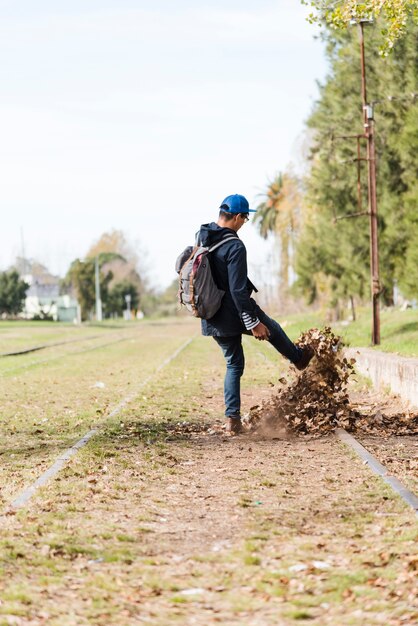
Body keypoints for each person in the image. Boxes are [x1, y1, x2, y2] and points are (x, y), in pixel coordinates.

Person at [198, 193, 314, 434]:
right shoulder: (235, 246)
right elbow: (238, 291)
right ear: (238, 217)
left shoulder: (203, 238)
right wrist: (253, 322)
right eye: (245, 219)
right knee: (271, 328)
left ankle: (232, 420)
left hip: (210, 313)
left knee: (233, 363)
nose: (244, 224)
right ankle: (298, 358)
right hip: (232, 310)